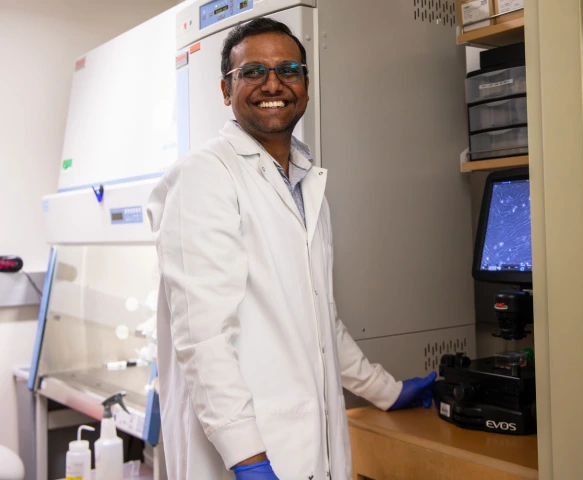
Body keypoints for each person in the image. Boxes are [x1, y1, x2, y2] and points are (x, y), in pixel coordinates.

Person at [147, 17, 437, 480]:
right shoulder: (205, 176)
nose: (273, 84)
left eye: (288, 70)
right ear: (227, 90)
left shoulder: (303, 180)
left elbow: (319, 316)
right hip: (245, 455)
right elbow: (203, 338)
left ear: (305, 85)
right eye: (253, 72)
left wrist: (385, 390)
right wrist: (248, 457)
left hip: (309, 452)